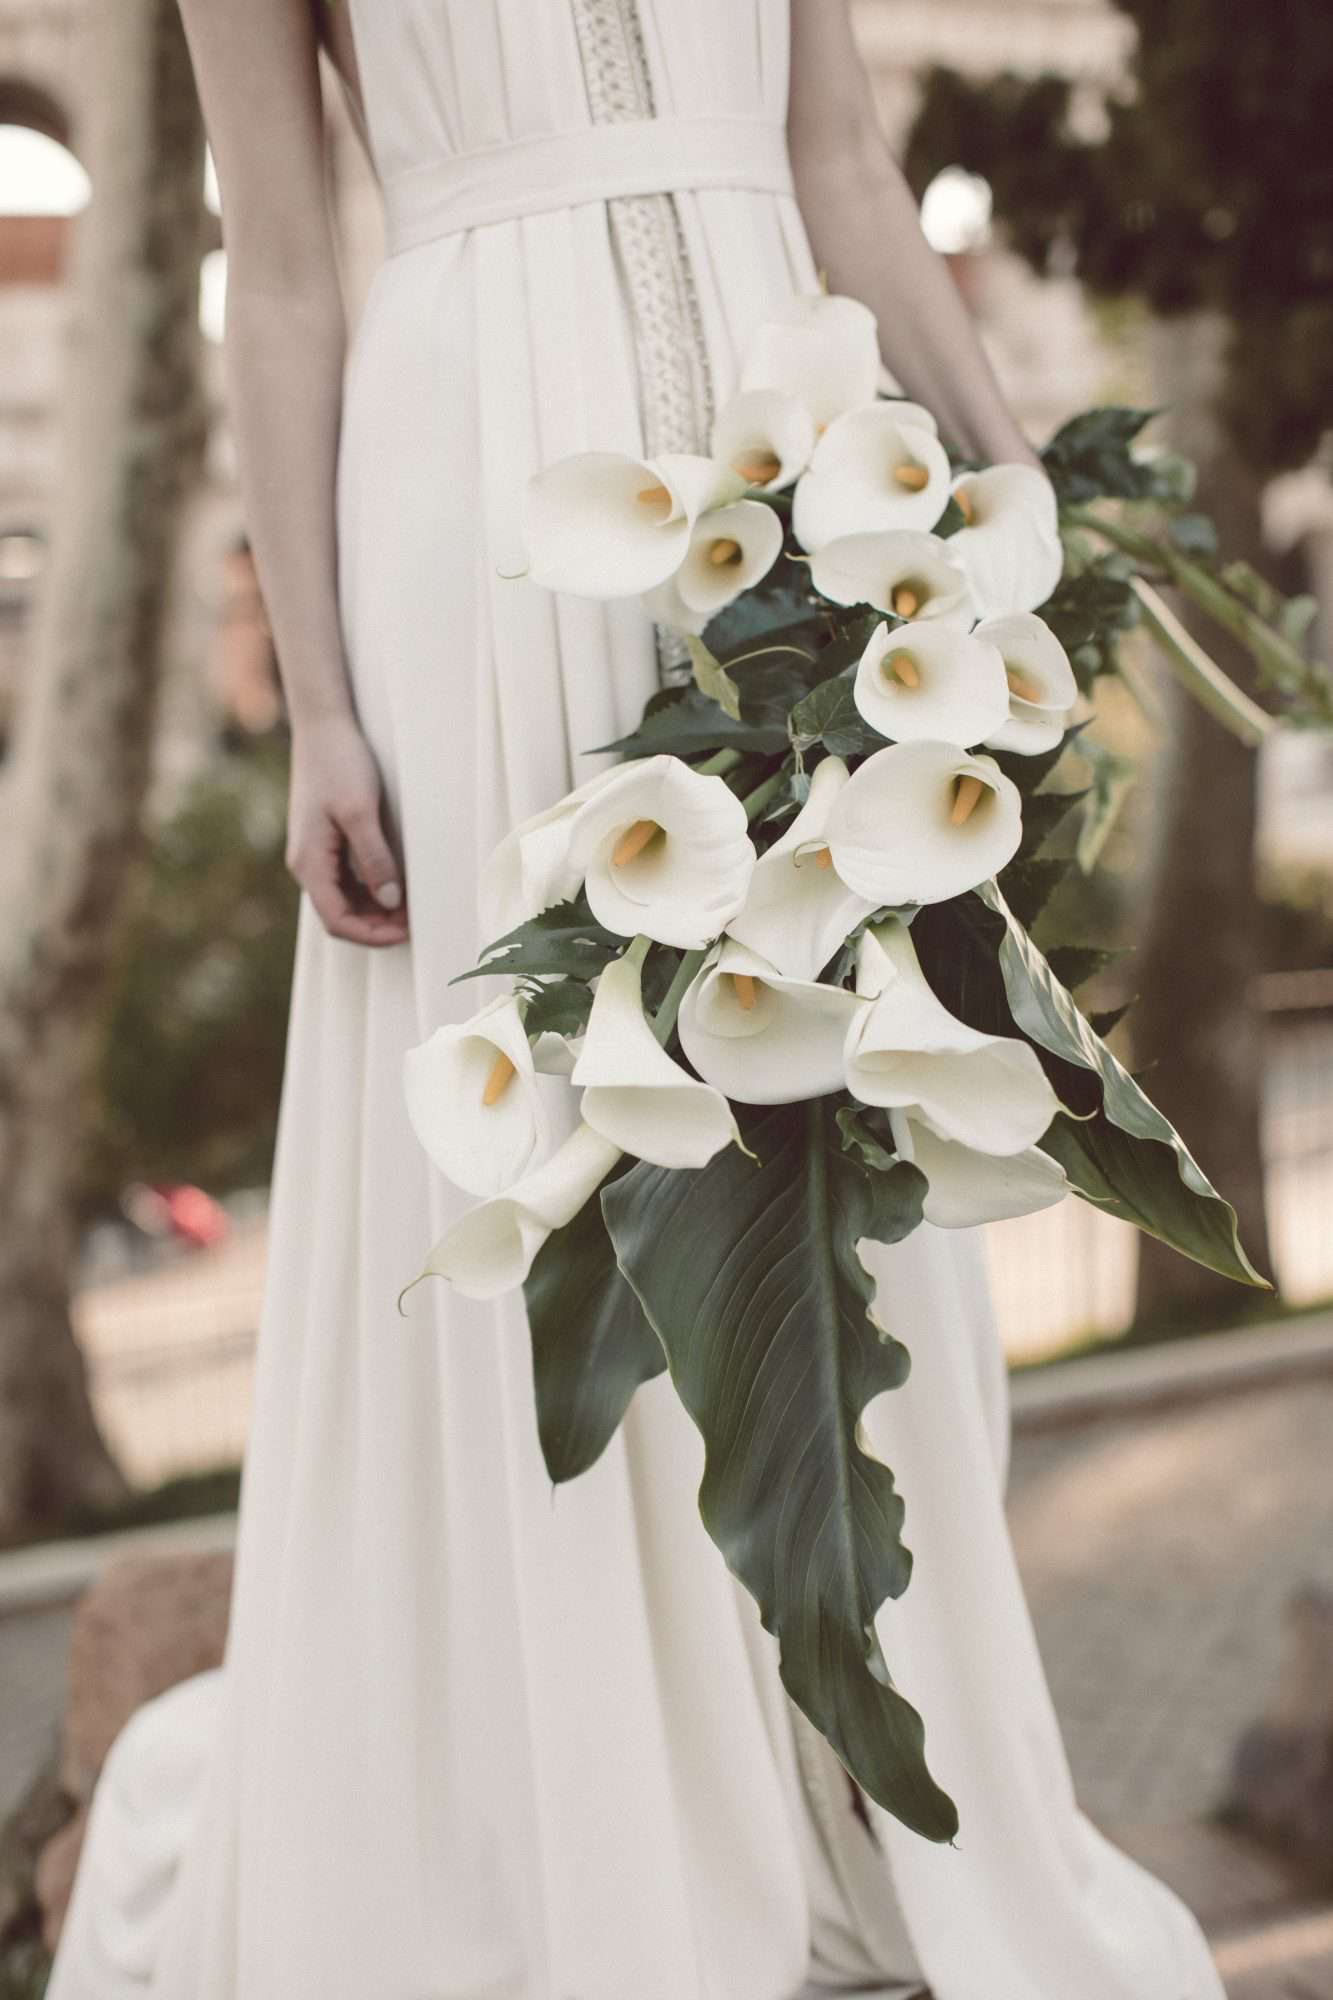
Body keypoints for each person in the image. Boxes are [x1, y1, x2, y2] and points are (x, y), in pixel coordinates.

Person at [48, 4, 1226, 1996]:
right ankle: (582, 1809)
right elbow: (285, 267)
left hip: (801, 448)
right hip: (479, 508)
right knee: (556, 1145)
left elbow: (837, 153)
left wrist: (1016, 501)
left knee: (843, 1111)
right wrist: (322, 703)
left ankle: (864, 1758)